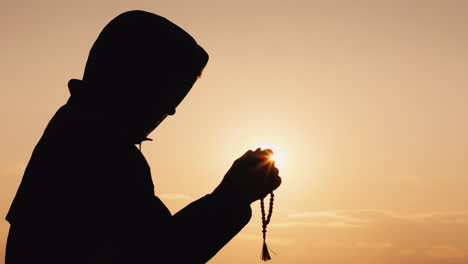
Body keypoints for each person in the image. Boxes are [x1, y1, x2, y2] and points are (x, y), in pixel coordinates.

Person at [5, 10, 281, 264]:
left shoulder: (75, 130)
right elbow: (160, 254)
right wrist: (233, 196)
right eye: (169, 93)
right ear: (136, 80)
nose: (171, 110)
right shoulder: (99, 149)